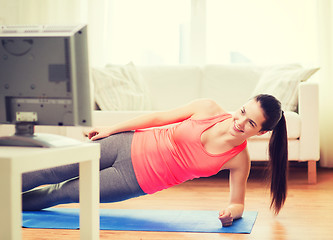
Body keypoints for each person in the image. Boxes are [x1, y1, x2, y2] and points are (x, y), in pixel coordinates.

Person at [22, 94, 288, 227]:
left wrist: (232, 213)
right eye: (242, 111)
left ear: (261, 132)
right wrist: (111, 129)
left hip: (132, 181)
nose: (239, 122)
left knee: (59, 193)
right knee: (49, 170)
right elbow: (159, 118)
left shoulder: (239, 159)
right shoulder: (208, 108)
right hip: (125, 143)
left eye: (250, 123)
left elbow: (237, 202)